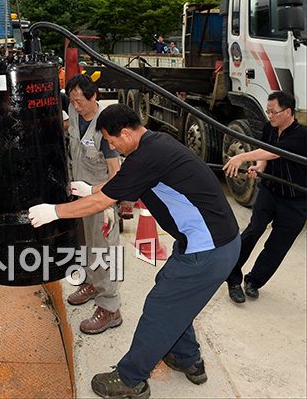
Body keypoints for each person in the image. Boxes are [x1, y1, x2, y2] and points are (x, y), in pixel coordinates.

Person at [28, 104, 240, 399]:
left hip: (207, 250)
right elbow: (119, 186)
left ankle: (131, 379)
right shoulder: (155, 145)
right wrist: (91, 189)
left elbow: (102, 203)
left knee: (159, 309)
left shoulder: (147, 156)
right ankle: (188, 359)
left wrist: (55, 211)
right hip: (212, 244)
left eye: (112, 141)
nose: (111, 147)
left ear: (126, 132)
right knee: (175, 300)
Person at [223, 90, 307, 304]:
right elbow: (265, 154)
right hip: (270, 191)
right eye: (268, 111)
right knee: (253, 231)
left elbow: (276, 152)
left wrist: (241, 157)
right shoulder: (271, 128)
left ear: (288, 112)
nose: (269, 115)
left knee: (277, 246)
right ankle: (233, 279)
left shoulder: (301, 135)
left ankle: (254, 281)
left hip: (296, 200)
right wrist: (258, 167)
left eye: (273, 112)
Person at [62, 74, 122, 335]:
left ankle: (110, 308)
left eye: (80, 102)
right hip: (79, 195)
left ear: (94, 96)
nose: (76, 107)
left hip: (100, 198)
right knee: (85, 244)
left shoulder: (106, 127)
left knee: (104, 250)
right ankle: (90, 284)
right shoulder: (73, 113)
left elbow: (115, 173)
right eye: (72, 101)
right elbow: (68, 129)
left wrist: (107, 201)